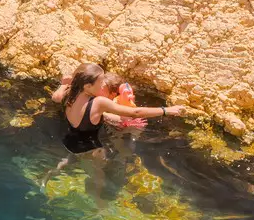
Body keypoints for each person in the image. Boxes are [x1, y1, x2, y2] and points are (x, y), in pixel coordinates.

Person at [53, 65, 185, 157]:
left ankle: (60, 166)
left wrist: (64, 83)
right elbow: (135, 113)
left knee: (71, 159)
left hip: (68, 140)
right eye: (100, 83)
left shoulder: (67, 92)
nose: (102, 85)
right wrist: (166, 110)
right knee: (97, 182)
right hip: (90, 149)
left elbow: (55, 98)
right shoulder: (99, 102)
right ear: (87, 86)